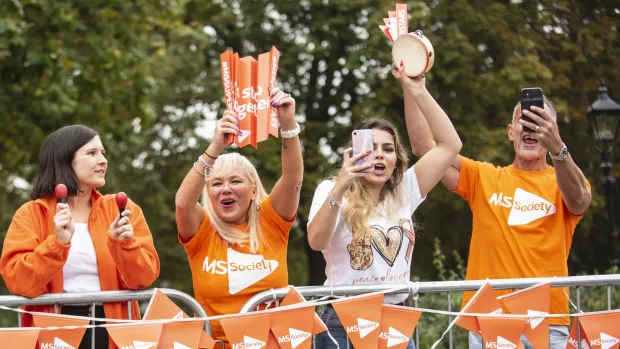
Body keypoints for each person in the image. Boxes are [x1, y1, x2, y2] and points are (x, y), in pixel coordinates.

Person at [406, 90, 591, 348]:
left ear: (553, 131)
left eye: (540, 121)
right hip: (490, 321)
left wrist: (558, 147)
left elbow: (581, 200)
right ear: (510, 132)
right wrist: (413, 86)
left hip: (547, 324)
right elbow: (425, 148)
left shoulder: (563, 180)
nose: (531, 127)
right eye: (523, 120)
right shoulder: (484, 177)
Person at [308, 63, 463, 349]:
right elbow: (316, 241)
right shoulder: (331, 189)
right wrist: (342, 185)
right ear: (353, 153)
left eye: (388, 149)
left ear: (396, 159)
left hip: (395, 319)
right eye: (371, 147)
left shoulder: (405, 189)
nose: (379, 155)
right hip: (344, 320)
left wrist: (417, 89)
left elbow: (450, 144)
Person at [0, 124, 160, 349]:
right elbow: (18, 281)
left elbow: (143, 278)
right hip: (54, 333)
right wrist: (58, 244)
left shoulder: (121, 209)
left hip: (114, 330)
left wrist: (125, 245)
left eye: (103, 153)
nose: (104, 160)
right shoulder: (31, 214)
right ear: (65, 159)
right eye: (92, 153)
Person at [175, 87, 303, 346]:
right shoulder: (202, 231)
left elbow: (292, 181)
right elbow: (182, 203)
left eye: (235, 181)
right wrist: (215, 147)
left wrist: (288, 124)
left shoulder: (270, 222)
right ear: (207, 192)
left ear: (253, 190)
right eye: (216, 183)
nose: (226, 189)